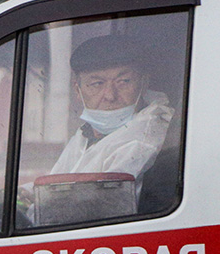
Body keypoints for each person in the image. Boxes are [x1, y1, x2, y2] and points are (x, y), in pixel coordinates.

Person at [49, 34, 175, 194]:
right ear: (78, 91)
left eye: (123, 81)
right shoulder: (89, 133)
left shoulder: (142, 140)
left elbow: (97, 205)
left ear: (144, 84)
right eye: (97, 84)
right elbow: (55, 183)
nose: (110, 95)